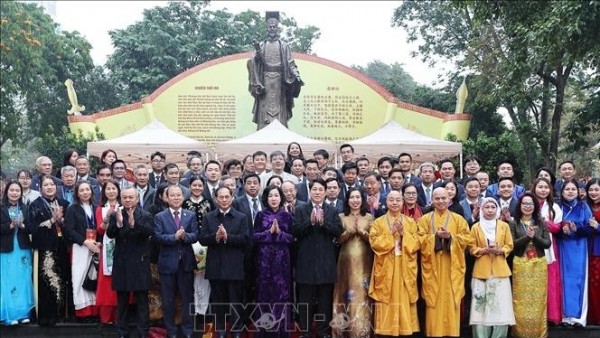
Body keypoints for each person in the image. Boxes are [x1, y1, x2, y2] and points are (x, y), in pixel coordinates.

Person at [417, 187, 472, 338]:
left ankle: (452, 333)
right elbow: (419, 240)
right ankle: (433, 333)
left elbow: (466, 239)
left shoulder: (458, 219)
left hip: (451, 266)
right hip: (433, 267)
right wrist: (435, 237)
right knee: (433, 302)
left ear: (449, 199)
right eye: (437, 198)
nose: (441, 201)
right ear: (432, 200)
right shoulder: (425, 219)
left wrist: (450, 238)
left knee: (451, 300)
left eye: (443, 198)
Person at [293, 178, 342, 338]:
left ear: (326, 192)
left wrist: (323, 223)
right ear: (310, 191)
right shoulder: (300, 209)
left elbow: (337, 231)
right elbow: (295, 231)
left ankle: (323, 332)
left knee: (324, 302)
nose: (318, 192)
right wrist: (310, 222)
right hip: (305, 262)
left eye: (321, 190)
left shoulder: (332, 211)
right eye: (314, 189)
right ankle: (305, 333)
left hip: (326, 262)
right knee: (305, 302)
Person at [200, 186, 251, 338]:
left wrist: (228, 237)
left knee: (236, 302)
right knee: (218, 302)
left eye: (226, 197)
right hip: (215, 266)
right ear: (215, 199)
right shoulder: (209, 217)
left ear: (232, 198)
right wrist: (215, 237)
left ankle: (236, 331)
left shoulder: (241, 217)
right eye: (220, 197)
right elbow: (202, 239)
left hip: (234, 266)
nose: (224, 200)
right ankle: (220, 330)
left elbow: (245, 239)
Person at [368, 190, 419, 336]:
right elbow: (374, 243)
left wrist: (404, 234)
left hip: (404, 265)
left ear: (403, 202)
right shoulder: (378, 222)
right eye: (391, 200)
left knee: (403, 297)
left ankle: (405, 329)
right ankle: (385, 330)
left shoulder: (410, 222)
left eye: (398, 200)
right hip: (386, 266)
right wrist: (390, 232)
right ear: (386, 202)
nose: (395, 203)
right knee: (386, 297)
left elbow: (416, 244)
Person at [106, 187, 154, 338]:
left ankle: (142, 332)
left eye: (131, 197)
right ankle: (122, 332)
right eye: (125, 197)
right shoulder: (116, 215)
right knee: (122, 300)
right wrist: (119, 224)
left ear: (137, 199)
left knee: (141, 299)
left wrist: (133, 224)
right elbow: (110, 234)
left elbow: (148, 232)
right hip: (122, 262)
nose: (128, 200)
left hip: (139, 262)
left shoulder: (145, 214)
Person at [154, 185, 198, 338]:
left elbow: (195, 235)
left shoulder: (190, 215)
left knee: (187, 298)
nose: (176, 198)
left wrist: (184, 236)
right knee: (168, 300)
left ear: (183, 197)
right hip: (167, 264)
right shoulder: (160, 216)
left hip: (185, 264)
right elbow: (158, 237)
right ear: (166, 198)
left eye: (179, 195)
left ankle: (187, 331)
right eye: (173, 195)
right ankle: (171, 331)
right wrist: (174, 237)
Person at [468, 197, 515, 338]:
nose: (490, 210)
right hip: (481, 270)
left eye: (493, 207)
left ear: (497, 209)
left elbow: (510, 245)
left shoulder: (503, 226)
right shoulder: (475, 227)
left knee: (500, 306)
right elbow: (471, 247)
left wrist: (500, 250)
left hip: (500, 270)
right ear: (481, 209)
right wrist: (483, 250)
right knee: (480, 307)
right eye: (486, 207)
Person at [248, 11, 303, 130]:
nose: (272, 29)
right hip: (265, 81)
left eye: (274, 27)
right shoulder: (262, 45)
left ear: (278, 29)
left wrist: (296, 75)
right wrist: (257, 53)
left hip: (280, 82)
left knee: (280, 108)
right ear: (267, 29)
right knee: (265, 108)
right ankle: (263, 130)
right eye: (270, 27)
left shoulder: (283, 46)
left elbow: (290, 63)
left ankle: (281, 128)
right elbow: (253, 61)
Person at [27, 175, 70, 326]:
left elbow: (70, 228)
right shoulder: (35, 205)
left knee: (62, 280)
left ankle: (61, 314)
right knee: (46, 282)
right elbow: (32, 229)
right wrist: (52, 220)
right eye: (46, 185)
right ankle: (46, 316)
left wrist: (61, 221)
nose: (50, 187)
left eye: (52, 184)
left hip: (62, 248)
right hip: (45, 249)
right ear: (40, 188)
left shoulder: (64, 203)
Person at [252, 185, 294, 338]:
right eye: (270, 196)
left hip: (282, 260)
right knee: (264, 295)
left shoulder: (287, 216)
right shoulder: (260, 215)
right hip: (264, 260)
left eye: (276, 195)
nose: (274, 198)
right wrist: (269, 233)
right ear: (266, 198)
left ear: (281, 197)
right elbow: (254, 237)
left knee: (281, 295)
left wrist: (280, 234)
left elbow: (292, 238)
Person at [332, 187, 374, 338]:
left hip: (364, 262)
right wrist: (349, 232)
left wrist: (362, 232)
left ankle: (362, 332)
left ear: (362, 200)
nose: (355, 200)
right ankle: (342, 332)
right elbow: (337, 240)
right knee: (344, 294)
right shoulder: (341, 216)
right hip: (345, 262)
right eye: (352, 197)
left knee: (362, 295)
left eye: (358, 197)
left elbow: (374, 241)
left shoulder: (369, 217)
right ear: (347, 200)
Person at [509, 193, 551, 338]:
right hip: (521, 264)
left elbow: (547, 243)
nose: (527, 207)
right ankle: (519, 333)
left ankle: (539, 333)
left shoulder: (541, 222)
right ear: (519, 206)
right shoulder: (513, 223)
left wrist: (535, 237)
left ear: (535, 206)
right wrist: (527, 237)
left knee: (538, 300)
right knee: (521, 300)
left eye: (530, 204)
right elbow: (512, 245)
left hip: (538, 264)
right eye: (524, 204)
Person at [557, 179, 593, 327]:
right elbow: (550, 227)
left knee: (578, 280)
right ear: (562, 191)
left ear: (578, 191)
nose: (570, 191)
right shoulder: (557, 207)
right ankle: (565, 316)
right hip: (562, 247)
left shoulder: (584, 207)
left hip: (579, 248)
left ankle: (579, 318)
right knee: (563, 280)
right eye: (567, 189)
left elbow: (590, 228)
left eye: (573, 189)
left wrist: (576, 229)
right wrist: (561, 230)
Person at [63, 180, 100, 320]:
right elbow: (69, 230)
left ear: (92, 191)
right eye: (82, 190)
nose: (85, 192)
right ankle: (83, 311)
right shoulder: (72, 209)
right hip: (80, 247)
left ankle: (95, 309)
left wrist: (96, 244)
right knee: (80, 277)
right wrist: (85, 242)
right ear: (77, 193)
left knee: (94, 276)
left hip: (95, 247)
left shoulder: (96, 207)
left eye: (87, 189)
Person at [0, 180, 34, 325]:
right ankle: (9, 315)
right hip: (6, 249)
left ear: (21, 193)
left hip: (23, 249)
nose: (15, 193)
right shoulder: (1, 208)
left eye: (17, 191)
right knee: (8, 280)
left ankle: (23, 313)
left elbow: (32, 228)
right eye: (12, 190)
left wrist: (23, 225)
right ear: (6, 191)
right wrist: (11, 225)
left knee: (23, 280)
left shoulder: (26, 208)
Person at [531, 177, 563, 324]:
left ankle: (551, 315)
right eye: (540, 187)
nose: (543, 190)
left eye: (546, 187)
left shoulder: (554, 207)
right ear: (534, 188)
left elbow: (557, 227)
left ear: (550, 190)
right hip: (529, 245)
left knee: (550, 282)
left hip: (549, 247)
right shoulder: (528, 204)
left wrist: (544, 222)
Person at [94, 180, 120, 325]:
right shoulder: (100, 209)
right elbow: (99, 230)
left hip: (123, 247)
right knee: (106, 282)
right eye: (108, 189)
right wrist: (106, 219)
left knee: (121, 281)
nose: (111, 191)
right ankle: (106, 317)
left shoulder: (124, 205)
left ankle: (119, 316)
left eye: (113, 188)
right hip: (107, 247)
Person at [586, 178, 600, 325]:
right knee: (591, 283)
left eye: (596, 189)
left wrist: (598, 226)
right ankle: (592, 317)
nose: (593, 192)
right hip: (586, 250)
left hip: (598, 251)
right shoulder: (585, 206)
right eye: (591, 190)